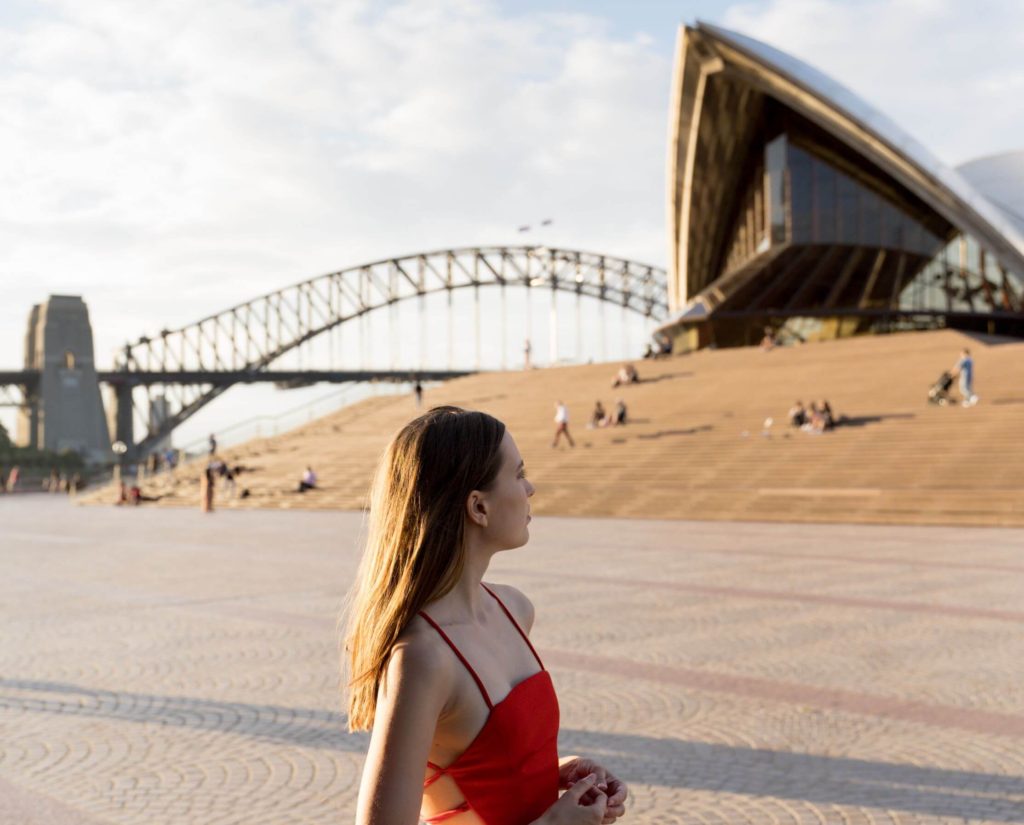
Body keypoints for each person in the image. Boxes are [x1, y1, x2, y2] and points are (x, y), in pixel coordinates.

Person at [346, 406, 627, 825]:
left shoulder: (514, 608)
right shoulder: (423, 656)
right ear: (478, 507)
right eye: (518, 474)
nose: (530, 487)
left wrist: (557, 773)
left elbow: (485, 766)